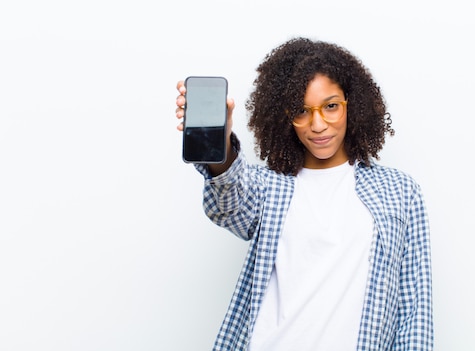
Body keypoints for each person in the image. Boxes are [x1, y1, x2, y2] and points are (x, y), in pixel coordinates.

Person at [175, 37, 433, 351]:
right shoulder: (269, 186)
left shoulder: (399, 192)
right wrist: (223, 144)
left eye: (331, 107)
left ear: (354, 104)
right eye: (302, 111)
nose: (318, 124)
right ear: (285, 116)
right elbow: (228, 205)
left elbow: (414, 311)